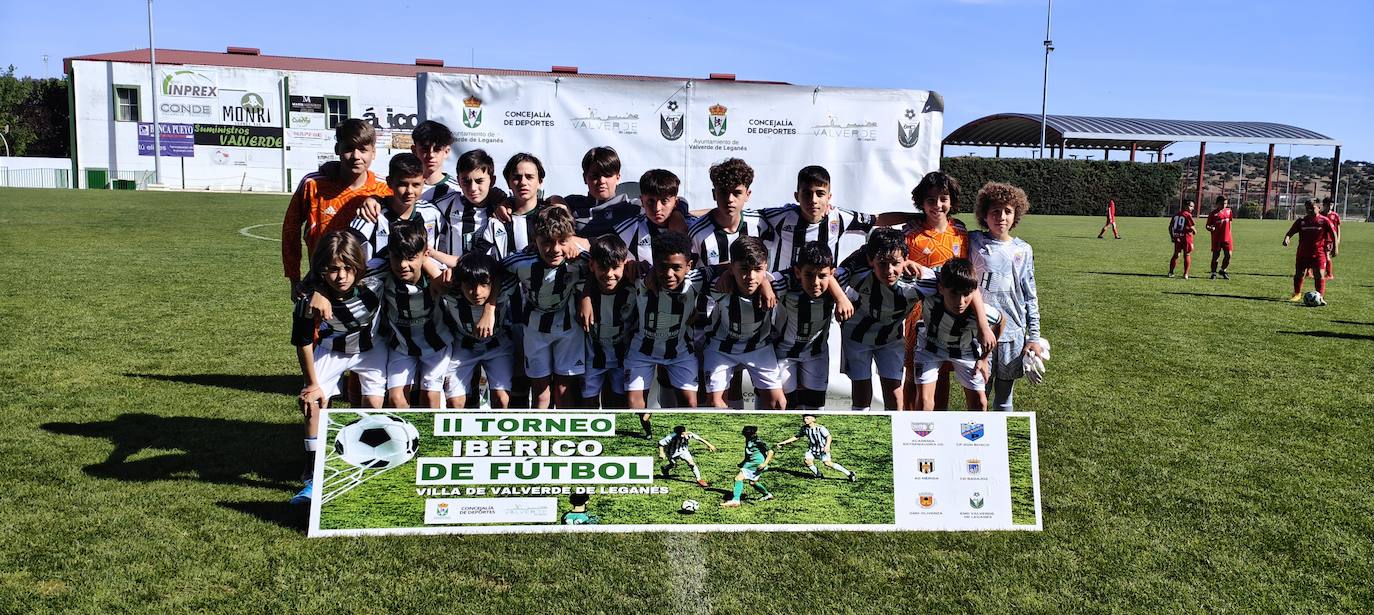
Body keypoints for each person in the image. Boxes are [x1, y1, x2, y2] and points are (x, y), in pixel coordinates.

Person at [289, 231, 387, 505]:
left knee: (374, 405)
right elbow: (304, 342)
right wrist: (311, 383)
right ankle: (312, 473)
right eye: (333, 269)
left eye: (348, 268)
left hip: (372, 350)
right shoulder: (309, 299)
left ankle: (367, 463)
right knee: (311, 402)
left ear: (359, 265)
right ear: (322, 270)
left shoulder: (376, 276)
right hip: (334, 350)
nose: (341, 275)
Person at [281, 118, 390, 300]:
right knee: (314, 328)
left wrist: (377, 198)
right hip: (319, 286)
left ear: (373, 153)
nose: (356, 156)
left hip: (368, 289)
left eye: (363, 149)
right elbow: (290, 231)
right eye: (348, 148)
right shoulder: (313, 185)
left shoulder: (385, 189)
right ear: (337, 149)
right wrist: (294, 279)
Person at [837, 228, 939, 411]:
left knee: (894, 394)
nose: (889, 270)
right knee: (861, 392)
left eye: (895, 263)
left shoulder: (921, 280)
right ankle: (863, 434)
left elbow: (958, 284)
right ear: (870, 261)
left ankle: (896, 435)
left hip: (890, 339)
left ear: (905, 259)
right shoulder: (858, 274)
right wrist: (840, 299)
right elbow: (830, 278)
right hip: (857, 337)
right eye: (882, 263)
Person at [500, 207, 590, 409]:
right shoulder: (521, 261)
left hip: (568, 329)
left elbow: (600, 266)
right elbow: (494, 272)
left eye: (562, 241)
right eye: (547, 242)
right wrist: (489, 310)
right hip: (534, 329)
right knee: (540, 388)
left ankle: (566, 436)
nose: (555, 249)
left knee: (563, 388)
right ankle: (540, 435)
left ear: (570, 238)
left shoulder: (579, 259)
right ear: (535, 241)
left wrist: (586, 297)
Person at [624, 231, 712, 434]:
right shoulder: (640, 275)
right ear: (654, 262)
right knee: (633, 405)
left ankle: (680, 437)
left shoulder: (697, 279)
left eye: (677, 268)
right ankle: (645, 436)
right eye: (663, 266)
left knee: (690, 405)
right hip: (642, 351)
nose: (669, 274)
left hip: (680, 351)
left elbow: (728, 268)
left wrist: (766, 285)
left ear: (689, 266)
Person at [968, 182, 1043, 411]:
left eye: (1008, 211)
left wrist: (1034, 337)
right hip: (980, 331)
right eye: (995, 211)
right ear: (984, 215)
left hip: (1013, 334)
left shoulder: (1023, 249)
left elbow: (1030, 295)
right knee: (978, 397)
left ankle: (1000, 445)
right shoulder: (973, 242)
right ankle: (975, 445)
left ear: (1015, 214)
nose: (1001, 217)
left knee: (1004, 398)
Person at [759, 165, 916, 272]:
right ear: (796, 196)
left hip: (824, 290)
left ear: (829, 197)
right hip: (785, 292)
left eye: (820, 194)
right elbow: (744, 217)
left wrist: (921, 216)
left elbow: (878, 219)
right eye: (807, 193)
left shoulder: (839, 217)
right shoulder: (779, 216)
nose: (813, 200)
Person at [901, 171, 969, 411]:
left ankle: (940, 425)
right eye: (931, 200)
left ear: (952, 200)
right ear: (921, 202)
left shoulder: (960, 231)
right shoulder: (910, 234)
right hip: (918, 314)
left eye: (943, 198)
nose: (938, 205)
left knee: (943, 370)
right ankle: (907, 423)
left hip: (951, 313)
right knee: (914, 370)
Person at [702, 237, 787, 410]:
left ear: (766, 267)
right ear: (732, 267)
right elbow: (693, 276)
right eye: (744, 269)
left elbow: (806, 273)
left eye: (757, 269)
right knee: (715, 404)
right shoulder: (719, 287)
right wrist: (725, 271)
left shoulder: (775, 286)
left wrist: (765, 282)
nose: (751, 277)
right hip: (721, 348)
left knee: (779, 404)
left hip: (759, 347)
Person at [914, 258, 1005, 411]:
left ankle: (975, 435)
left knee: (980, 404)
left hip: (966, 351)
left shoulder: (983, 313)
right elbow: (902, 267)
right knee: (925, 403)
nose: (961, 301)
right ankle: (923, 434)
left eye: (966, 294)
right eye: (954, 294)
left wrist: (984, 358)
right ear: (941, 288)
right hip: (930, 346)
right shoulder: (929, 287)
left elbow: (1001, 321)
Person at [772, 242, 853, 410]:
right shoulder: (784, 282)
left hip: (816, 353)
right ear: (797, 272)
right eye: (809, 275)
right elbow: (761, 278)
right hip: (784, 353)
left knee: (814, 410)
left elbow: (865, 256)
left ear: (832, 273)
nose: (815, 282)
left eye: (822, 276)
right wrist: (765, 285)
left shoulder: (841, 278)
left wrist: (841, 297)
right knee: (782, 407)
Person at [379, 220, 450, 409]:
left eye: (411, 258)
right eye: (397, 257)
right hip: (401, 345)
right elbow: (352, 267)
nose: (403, 264)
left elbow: (471, 269)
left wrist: (436, 274)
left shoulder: (439, 276)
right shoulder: (382, 271)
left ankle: (433, 437)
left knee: (431, 399)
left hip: (437, 344)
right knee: (396, 399)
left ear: (424, 255)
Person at [349, 153, 447, 276]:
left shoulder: (433, 215)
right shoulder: (370, 215)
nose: (409, 191)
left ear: (423, 182)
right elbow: (347, 256)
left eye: (416, 184)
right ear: (389, 182)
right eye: (403, 184)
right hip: (376, 291)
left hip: (422, 292)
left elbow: (440, 256)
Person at [438, 253, 509, 409]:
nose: (477, 292)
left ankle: (502, 433)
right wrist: (431, 252)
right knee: (455, 402)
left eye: (484, 285)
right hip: (463, 346)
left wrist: (490, 309)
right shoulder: (452, 292)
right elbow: (423, 260)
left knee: (502, 399)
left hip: (497, 345)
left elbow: (503, 270)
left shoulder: (503, 289)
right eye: (470, 285)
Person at [578, 234, 637, 409]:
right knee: (588, 403)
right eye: (603, 268)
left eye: (615, 267)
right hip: (592, 358)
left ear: (624, 265)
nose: (609, 274)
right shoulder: (580, 288)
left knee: (617, 404)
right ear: (591, 266)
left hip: (622, 358)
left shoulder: (634, 288)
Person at [615, 169, 695, 264]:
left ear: (676, 202)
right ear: (642, 201)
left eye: (664, 201)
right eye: (650, 201)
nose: (657, 208)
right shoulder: (626, 230)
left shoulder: (694, 229)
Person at [1283, 199, 1337, 302]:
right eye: (1307, 209)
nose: (1309, 210)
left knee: (1319, 274)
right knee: (1299, 273)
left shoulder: (1324, 220)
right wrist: (1287, 238)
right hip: (1303, 252)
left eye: (1312, 208)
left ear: (1319, 208)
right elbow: (1290, 232)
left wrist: (1335, 247)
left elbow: (1333, 233)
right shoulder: (1301, 221)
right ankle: (1297, 294)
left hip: (1319, 253)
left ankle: (1320, 296)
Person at [775, 414, 857, 481]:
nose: (805, 419)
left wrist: (827, 446)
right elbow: (797, 436)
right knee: (807, 461)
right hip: (812, 449)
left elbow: (829, 437)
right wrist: (783, 442)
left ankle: (849, 473)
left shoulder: (820, 428)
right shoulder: (804, 428)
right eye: (804, 418)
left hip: (822, 449)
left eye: (807, 418)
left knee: (828, 463)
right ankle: (818, 474)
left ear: (813, 419)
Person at [720, 425, 774, 507]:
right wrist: (743, 462)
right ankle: (767, 494)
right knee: (753, 482)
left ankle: (736, 500)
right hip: (751, 463)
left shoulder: (758, 441)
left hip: (756, 464)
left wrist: (765, 463)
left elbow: (771, 451)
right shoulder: (749, 439)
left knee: (738, 478)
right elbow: (749, 452)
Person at [410, 120, 461, 202]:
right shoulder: (403, 188)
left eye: (437, 149)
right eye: (425, 149)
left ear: (446, 152)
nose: (431, 155)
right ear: (414, 151)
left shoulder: (458, 190)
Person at [1205, 196, 1233, 280]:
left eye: (1225, 203)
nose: (1224, 205)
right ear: (1217, 204)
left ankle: (1223, 270)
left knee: (1228, 255)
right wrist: (1210, 228)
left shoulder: (1229, 211)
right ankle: (1213, 273)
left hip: (1227, 238)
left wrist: (1229, 233)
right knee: (1215, 256)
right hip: (1217, 238)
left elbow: (1230, 222)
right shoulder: (1213, 214)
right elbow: (1207, 226)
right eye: (1222, 203)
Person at [1168, 200, 1196, 279]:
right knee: (1187, 254)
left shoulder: (1176, 214)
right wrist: (1195, 231)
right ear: (1185, 206)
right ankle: (1186, 274)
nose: (1192, 208)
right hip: (1187, 238)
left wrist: (1172, 236)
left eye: (1193, 206)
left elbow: (1170, 227)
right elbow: (1192, 227)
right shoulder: (1188, 215)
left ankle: (1171, 272)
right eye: (1191, 206)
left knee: (1176, 254)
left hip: (1177, 238)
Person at [1322, 196, 1341, 280]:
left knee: (1326, 255)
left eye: (1332, 205)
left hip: (1329, 239)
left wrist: (1337, 240)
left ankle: (1329, 274)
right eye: (1328, 204)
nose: (1330, 206)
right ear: (1324, 205)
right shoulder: (1320, 214)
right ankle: (1309, 272)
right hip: (1320, 239)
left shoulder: (1335, 215)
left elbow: (1338, 228)